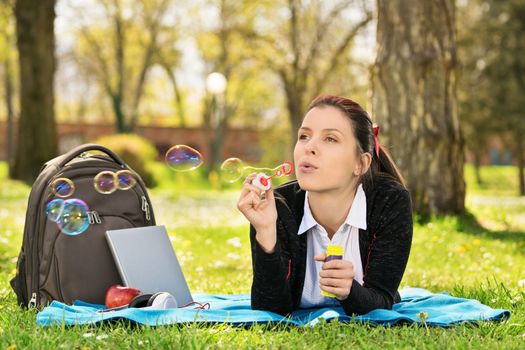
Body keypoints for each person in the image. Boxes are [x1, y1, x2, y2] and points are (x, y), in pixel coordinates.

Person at [237, 95, 413, 316]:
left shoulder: (388, 201)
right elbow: (270, 311)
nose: (309, 147)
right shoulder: (276, 208)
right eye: (304, 136)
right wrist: (265, 233)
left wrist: (349, 291)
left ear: (361, 163)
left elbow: (382, 301)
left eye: (330, 138)